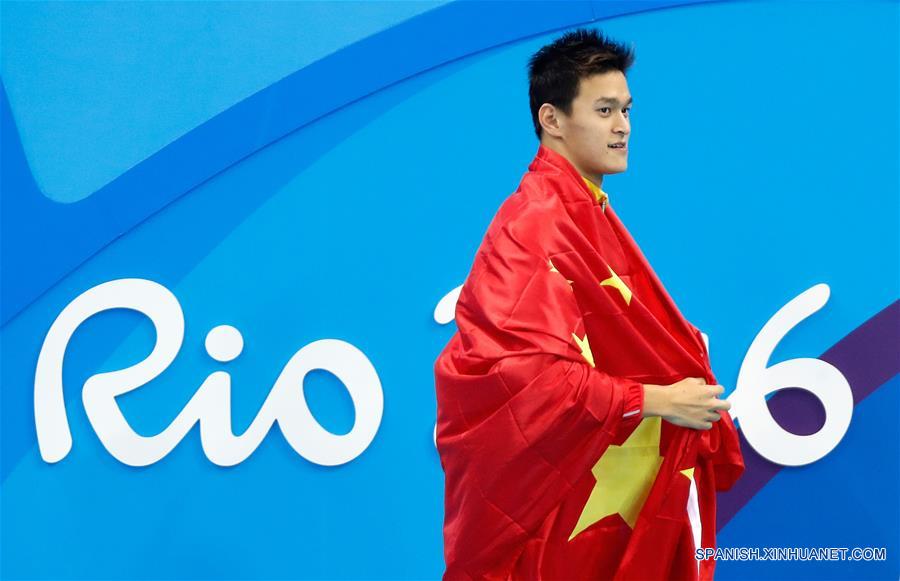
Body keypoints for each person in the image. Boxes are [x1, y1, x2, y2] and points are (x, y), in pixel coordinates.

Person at [433, 28, 744, 580]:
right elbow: (523, 376)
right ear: (551, 119)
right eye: (604, 110)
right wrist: (655, 397)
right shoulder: (533, 224)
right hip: (550, 514)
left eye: (626, 110)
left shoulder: (584, 208)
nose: (622, 126)